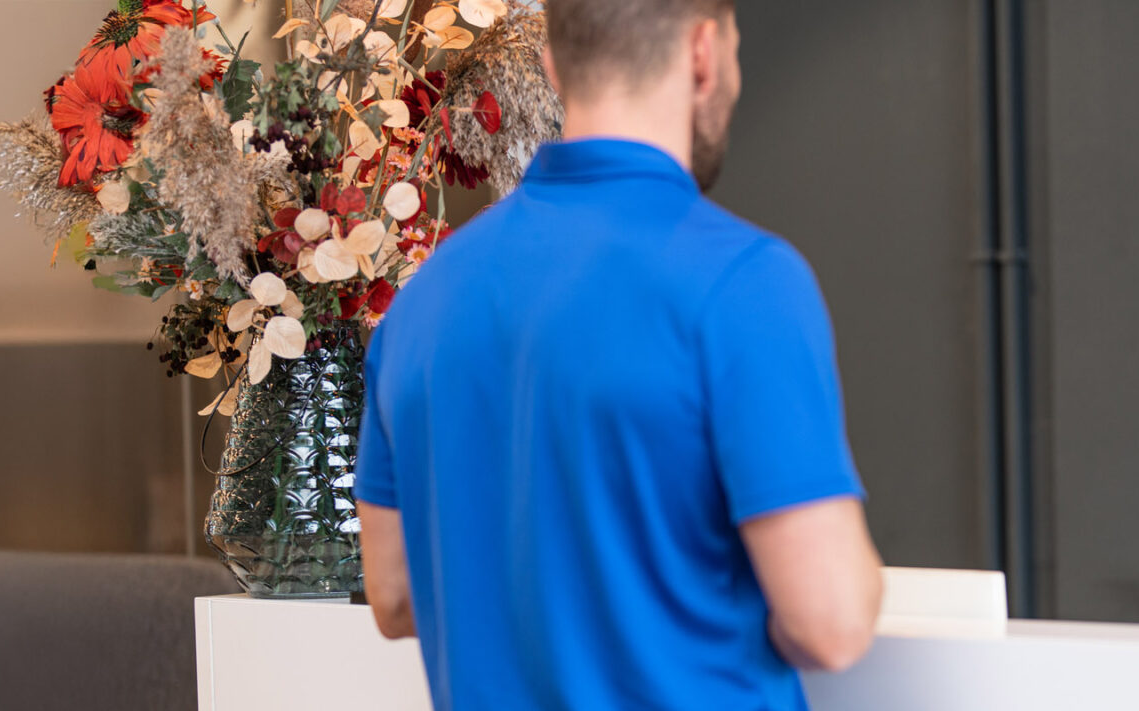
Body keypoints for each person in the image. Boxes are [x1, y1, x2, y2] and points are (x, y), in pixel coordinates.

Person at [352, 0, 884, 708]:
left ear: (552, 68)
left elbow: (392, 596)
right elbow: (833, 623)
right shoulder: (746, 282)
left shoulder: (423, 302)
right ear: (703, 52)